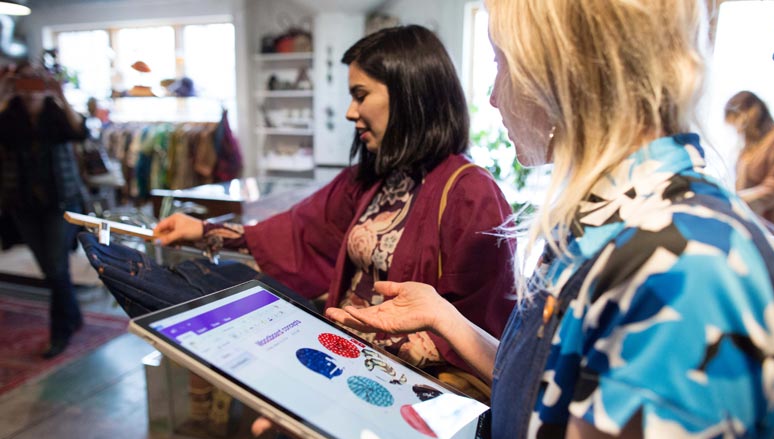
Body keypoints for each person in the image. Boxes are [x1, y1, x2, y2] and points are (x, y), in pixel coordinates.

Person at [319, 1, 774, 439]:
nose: (493, 95)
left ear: (560, 69)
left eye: (501, 62)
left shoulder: (683, 262)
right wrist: (443, 315)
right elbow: (543, 387)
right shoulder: (607, 221)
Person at [149, 25, 515, 393]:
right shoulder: (375, 178)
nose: (349, 112)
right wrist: (204, 231)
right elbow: (300, 231)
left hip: (404, 389)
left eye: (360, 95)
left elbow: (481, 323)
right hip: (344, 362)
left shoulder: (471, 194)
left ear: (409, 94)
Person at [0, 63, 88, 358]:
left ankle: (60, 331)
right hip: (23, 205)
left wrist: (61, 95)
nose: (31, 91)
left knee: (55, 266)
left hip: (61, 202)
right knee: (51, 269)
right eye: (25, 83)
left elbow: (80, 131)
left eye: (35, 82)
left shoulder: (56, 114)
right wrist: (4, 89)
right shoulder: (10, 116)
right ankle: (73, 316)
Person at [725, 90, 774, 236]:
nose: (737, 128)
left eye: (737, 120)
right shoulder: (746, 150)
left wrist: (739, 198)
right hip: (751, 229)